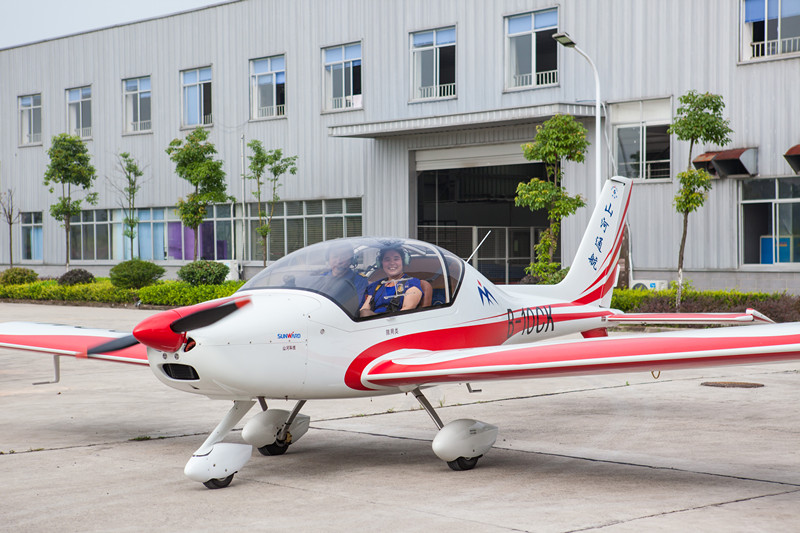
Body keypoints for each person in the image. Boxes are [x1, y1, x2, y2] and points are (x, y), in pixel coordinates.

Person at [360, 245, 422, 317]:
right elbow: (364, 311)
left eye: (396, 259)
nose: (392, 263)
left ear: (404, 261)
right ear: (381, 263)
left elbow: (406, 312)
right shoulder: (375, 286)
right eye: (387, 259)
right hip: (372, 321)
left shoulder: (411, 283)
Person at [317, 242, 367, 311]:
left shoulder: (360, 280)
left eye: (344, 257)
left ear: (351, 260)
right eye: (335, 257)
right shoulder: (320, 279)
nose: (339, 261)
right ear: (328, 259)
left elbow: (357, 306)